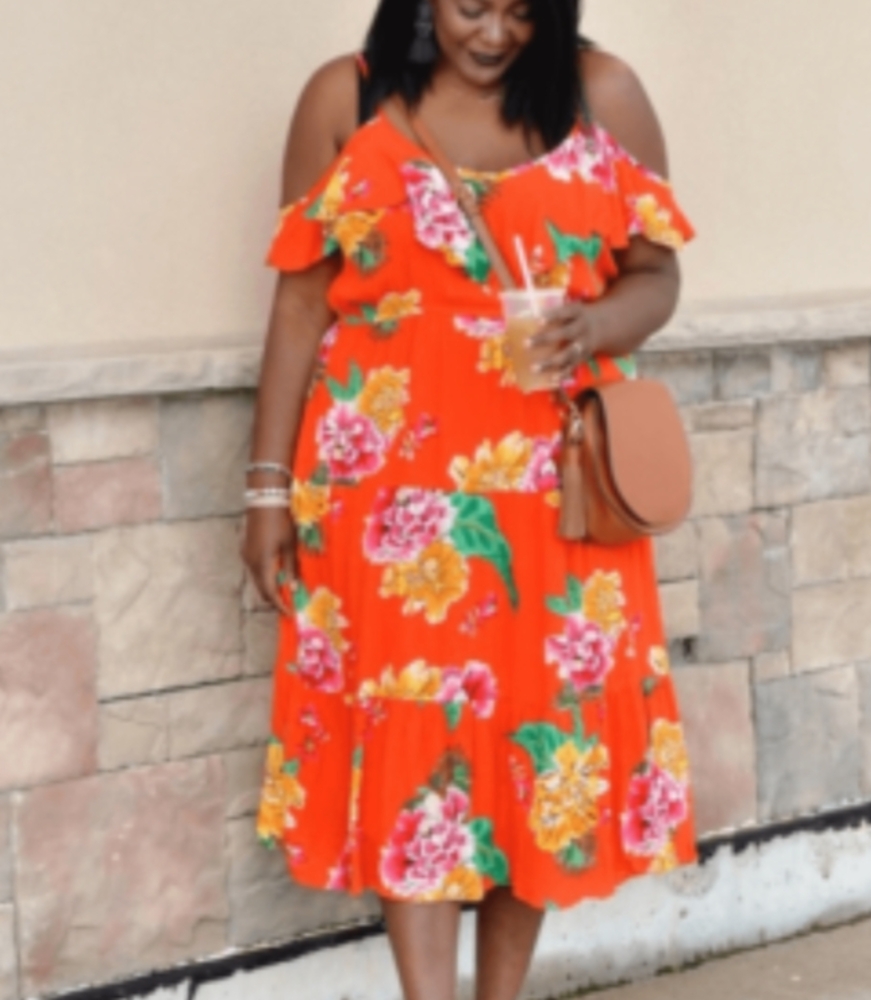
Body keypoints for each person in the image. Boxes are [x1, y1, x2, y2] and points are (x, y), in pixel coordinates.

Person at [242, 2, 697, 998]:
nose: (493, 33)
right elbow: (301, 298)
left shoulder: (599, 94)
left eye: (521, 11)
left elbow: (657, 276)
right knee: (415, 742)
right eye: (468, 6)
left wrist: (599, 323)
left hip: (552, 488)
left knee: (537, 743)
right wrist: (267, 487)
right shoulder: (346, 97)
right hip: (386, 493)